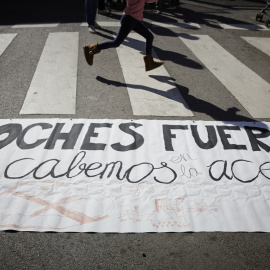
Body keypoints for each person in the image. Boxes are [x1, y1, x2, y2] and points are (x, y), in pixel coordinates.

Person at [83, 0, 164, 72]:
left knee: (149, 37)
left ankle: (149, 63)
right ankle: (91, 48)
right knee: (116, 43)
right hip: (129, 20)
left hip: (133, 20)